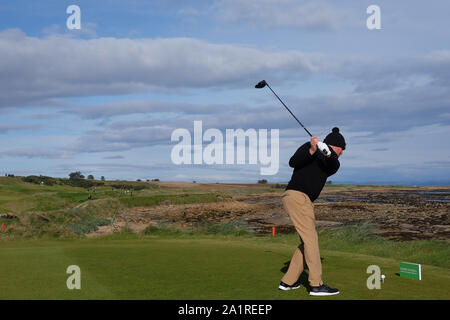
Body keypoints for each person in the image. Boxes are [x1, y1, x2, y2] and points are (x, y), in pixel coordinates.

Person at [278, 127, 346, 296]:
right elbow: (293, 162)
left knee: (306, 242)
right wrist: (311, 150)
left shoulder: (332, 162)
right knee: (311, 240)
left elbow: (333, 164)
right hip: (297, 196)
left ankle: (288, 281)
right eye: (341, 149)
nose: (342, 153)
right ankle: (316, 284)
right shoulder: (308, 147)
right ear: (335, 145)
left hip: (303, 200)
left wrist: (328, 153)